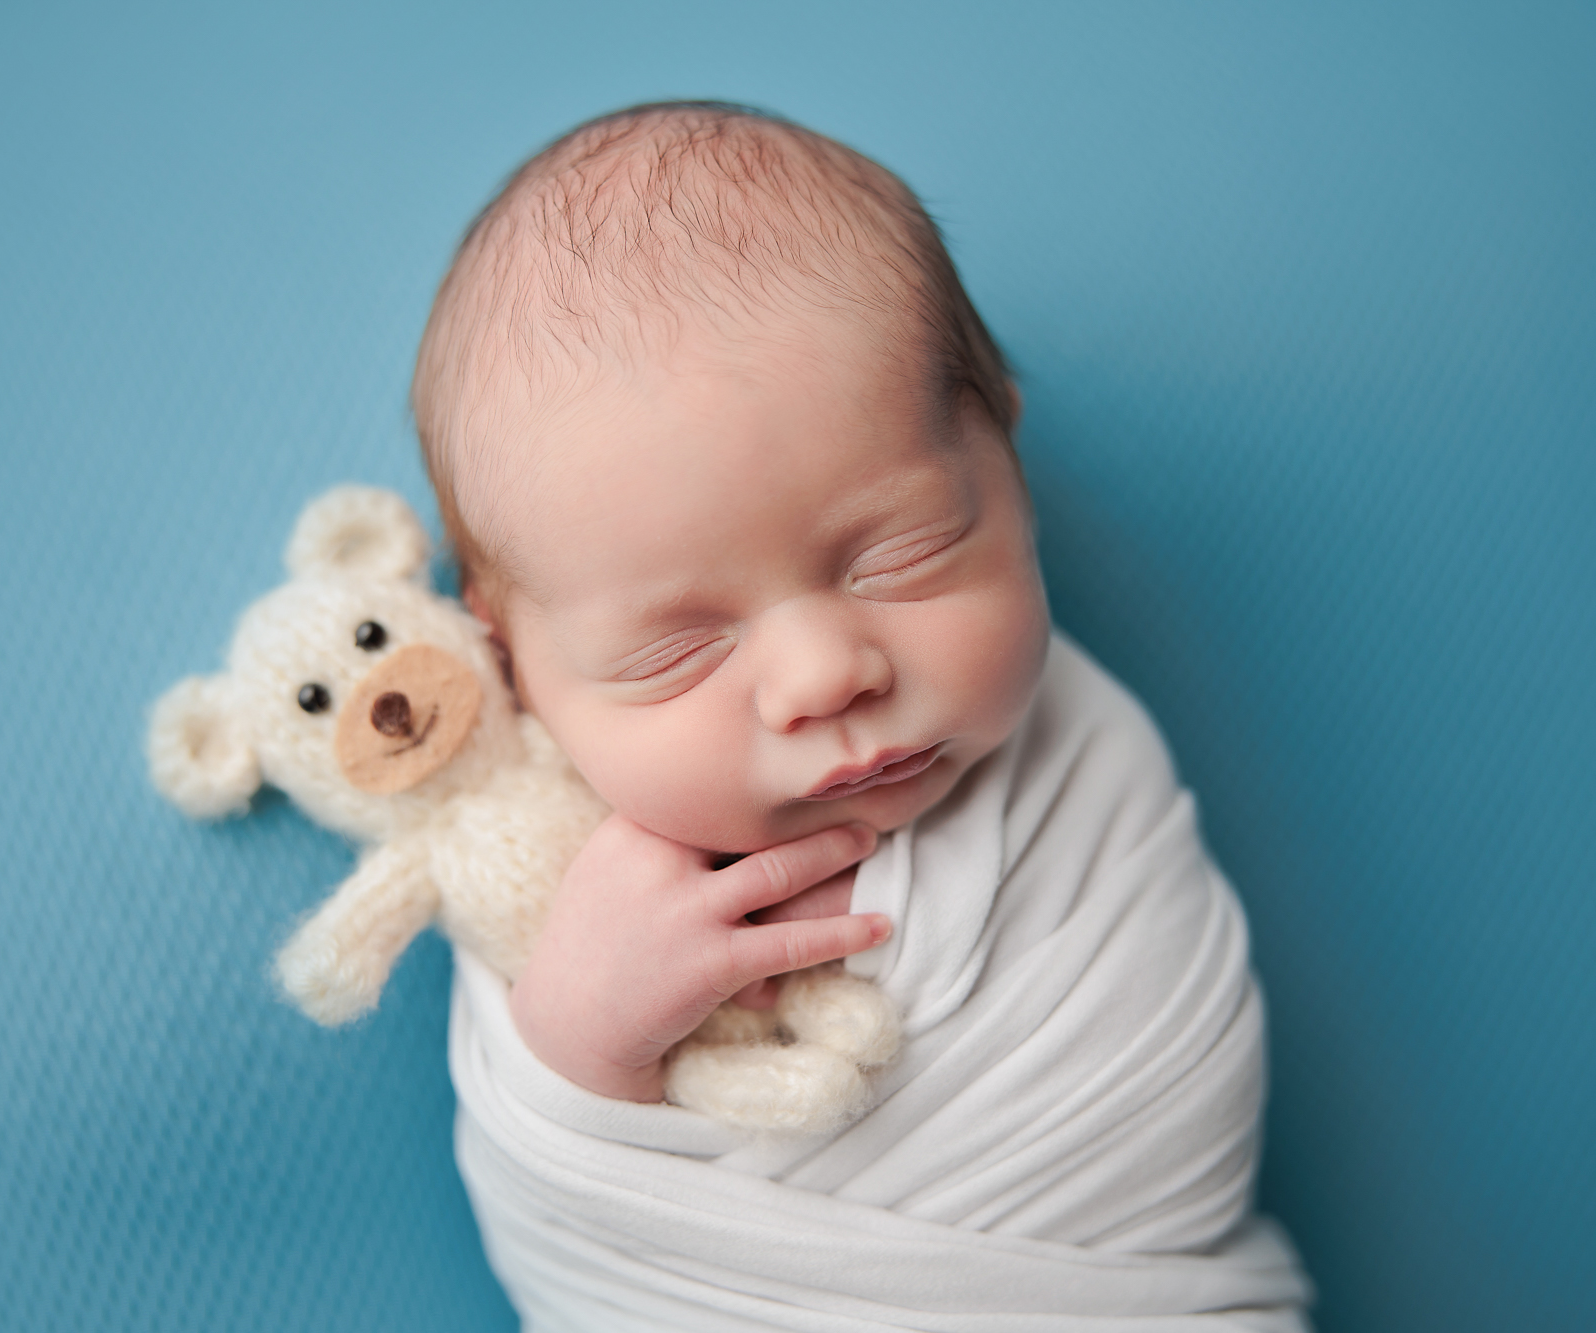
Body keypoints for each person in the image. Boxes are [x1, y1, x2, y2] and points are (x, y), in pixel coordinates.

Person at [413, 100, 1310, 1330]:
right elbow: (568, 1206)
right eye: (677, 648)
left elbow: (1163, 1112)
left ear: (1001, 451)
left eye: (900, 554)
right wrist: (578, 1049)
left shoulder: (1074, 772)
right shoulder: (544, 869)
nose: (822, 675)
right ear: (506, 656)